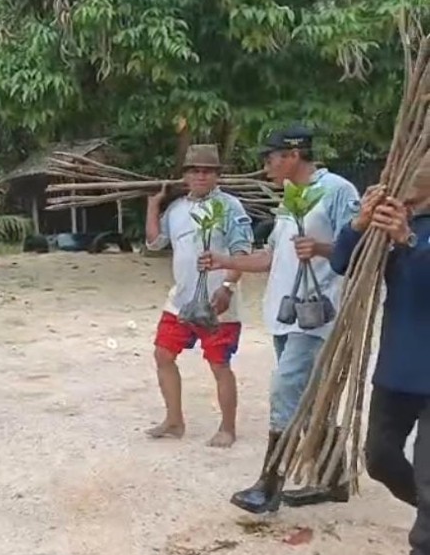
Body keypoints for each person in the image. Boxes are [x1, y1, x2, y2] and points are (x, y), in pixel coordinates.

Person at [198, 124, 361, 514]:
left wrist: (320, 248)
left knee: (284, 391)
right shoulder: (291, 198)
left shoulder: (338, 191)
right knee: (306, 395)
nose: (266, 165)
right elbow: (271, 256)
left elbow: (358, 249)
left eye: (270, 157)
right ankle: (335, 477)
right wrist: (226, 262)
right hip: (285, 315)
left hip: (318, 316)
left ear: (292, 155)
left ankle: (269, 484)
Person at [331, 167, 430, 555]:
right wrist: (359, 223)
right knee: (379, 458)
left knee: (429, 474)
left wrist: (407, 240)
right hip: (397, 369)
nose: (400, 173)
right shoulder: (390, 218)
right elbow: (344, 264)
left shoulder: (408, 228)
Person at [143, 144, 253, 448]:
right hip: (180, 300)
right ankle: (174, 420)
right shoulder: (177, 209)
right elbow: (155, 243)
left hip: (219, 302)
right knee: (163, 355)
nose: (201, 175)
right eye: (195, 170)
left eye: (208, 170)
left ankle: (227, 427)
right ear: (186, 176)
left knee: (219, 364)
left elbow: (242, 251)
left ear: (217, 175)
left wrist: (228, 286)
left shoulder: (230, 207)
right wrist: (154, 206)